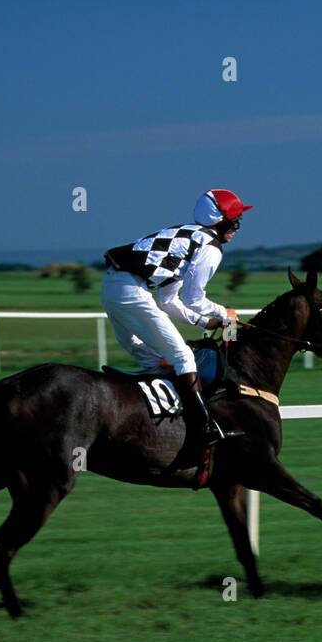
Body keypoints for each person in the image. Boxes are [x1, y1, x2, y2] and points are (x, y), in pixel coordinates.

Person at [101, 189, 252, 451]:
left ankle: (151, 426)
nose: (237, 228)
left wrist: (204, 323)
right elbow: (195, 299)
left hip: (113, 286)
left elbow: (169, 302)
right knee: (184, 357)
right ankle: (203, 427)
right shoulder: (210, 249)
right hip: (129, 289)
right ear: (220, 221)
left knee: (150, 358)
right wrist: (223, 312)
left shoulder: (188, 235)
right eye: (235, 222)